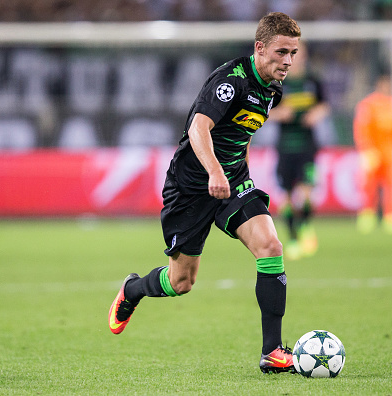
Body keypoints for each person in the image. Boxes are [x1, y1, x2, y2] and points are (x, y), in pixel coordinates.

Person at [108, 12, 301, 374]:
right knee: (181, 282)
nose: (288, 61)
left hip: (232, 182)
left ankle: (272, 351)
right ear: (260, 48)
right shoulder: (231, 80)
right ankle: (133, 290)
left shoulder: (273, 89)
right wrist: (214, 171)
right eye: (281, 52)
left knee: (271, 246)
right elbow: (198, 127)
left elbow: (240, 135)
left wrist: (234, 175)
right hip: (191, 187)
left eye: (293, 52)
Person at [268, 42, 329, 260]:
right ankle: (293, 238)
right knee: (284, 195)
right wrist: (280, 113)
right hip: (285, 145)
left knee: (306, 193)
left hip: (307, 146)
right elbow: (266, 112)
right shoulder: (277, 82)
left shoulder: (313, 80)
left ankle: (304, 226)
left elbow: (324, 105)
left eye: (298, 53)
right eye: (290, 53)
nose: (295, 57)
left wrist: (316, 114)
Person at [353, 71, 392, 233]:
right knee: (369, 186)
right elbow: (361, 128)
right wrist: (365, 150)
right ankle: (367, 217)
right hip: (373, 151)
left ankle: (391, 218)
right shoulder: (368, 104)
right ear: (379, 85)